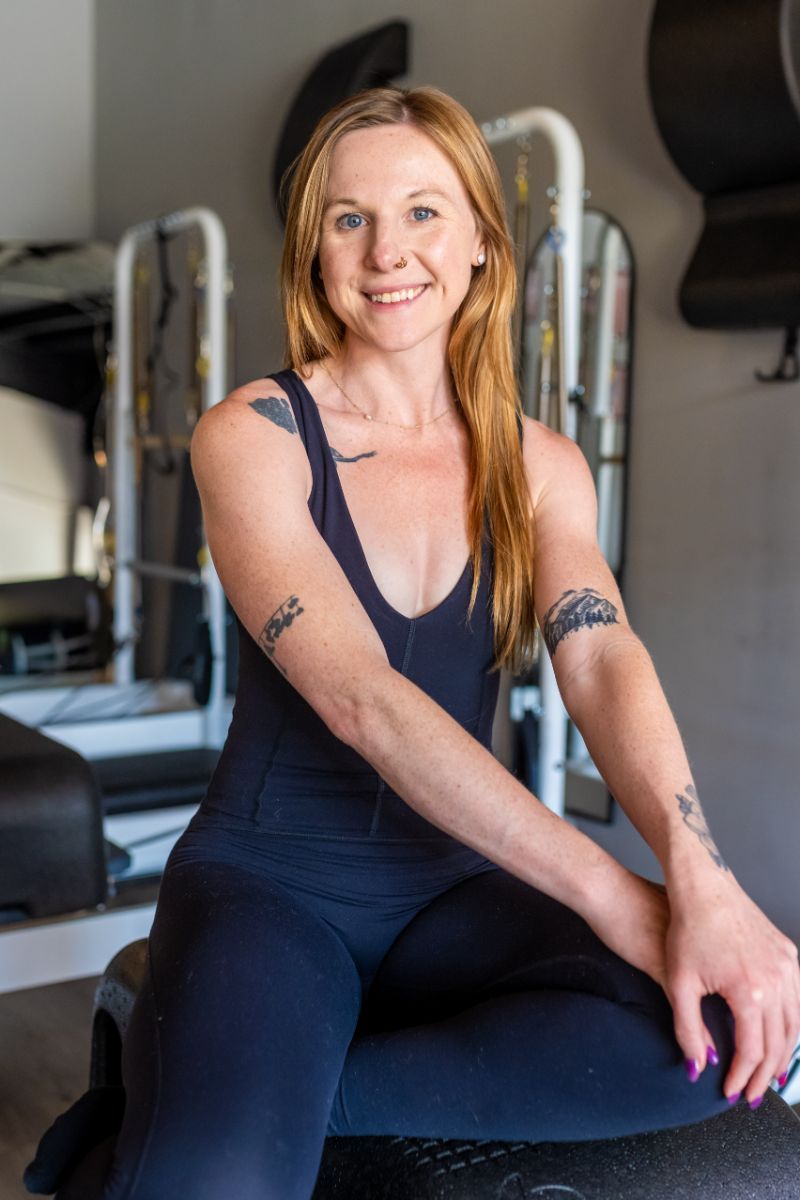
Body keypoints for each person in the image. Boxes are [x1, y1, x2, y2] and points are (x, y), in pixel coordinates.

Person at [31, 85, 799, 1200]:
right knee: (217, 1180)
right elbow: (365, 701)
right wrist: (615, 894)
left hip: (454, 893)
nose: (386, 251)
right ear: (315, 250)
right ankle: (221, 1104)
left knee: (720, 1032)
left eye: (422, 212)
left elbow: (599, 655)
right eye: (349, 218)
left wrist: (701, 882)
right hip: (271, 886)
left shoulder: (540, 466)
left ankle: (289, 1091)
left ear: (481, 238)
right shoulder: (253, 436)